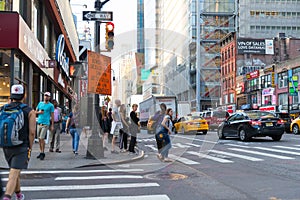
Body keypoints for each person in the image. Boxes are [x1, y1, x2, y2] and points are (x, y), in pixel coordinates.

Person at [1, 84, 36, 200]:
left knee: (15, 170)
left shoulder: (4, 108)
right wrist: (30, 147)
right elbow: (32, 132)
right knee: (13, 173)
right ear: (24, 96)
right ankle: (7, 196)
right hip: (21, 145)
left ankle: (19, 195)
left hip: (6, 145)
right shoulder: (29, 111)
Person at [36, 92, 54, 160]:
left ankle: (43, 152)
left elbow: (52, 115)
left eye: (47, 96)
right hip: (39, 123)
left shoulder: (51, 105)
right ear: (43, 96)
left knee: (42, 138)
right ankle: (41, 152)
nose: (46, 97)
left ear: (49, 97)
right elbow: (35, 111)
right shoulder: (40, 103)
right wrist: (39, 112)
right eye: (45, 96)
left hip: (45, 123)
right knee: (39, 139)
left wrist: (52, 125)